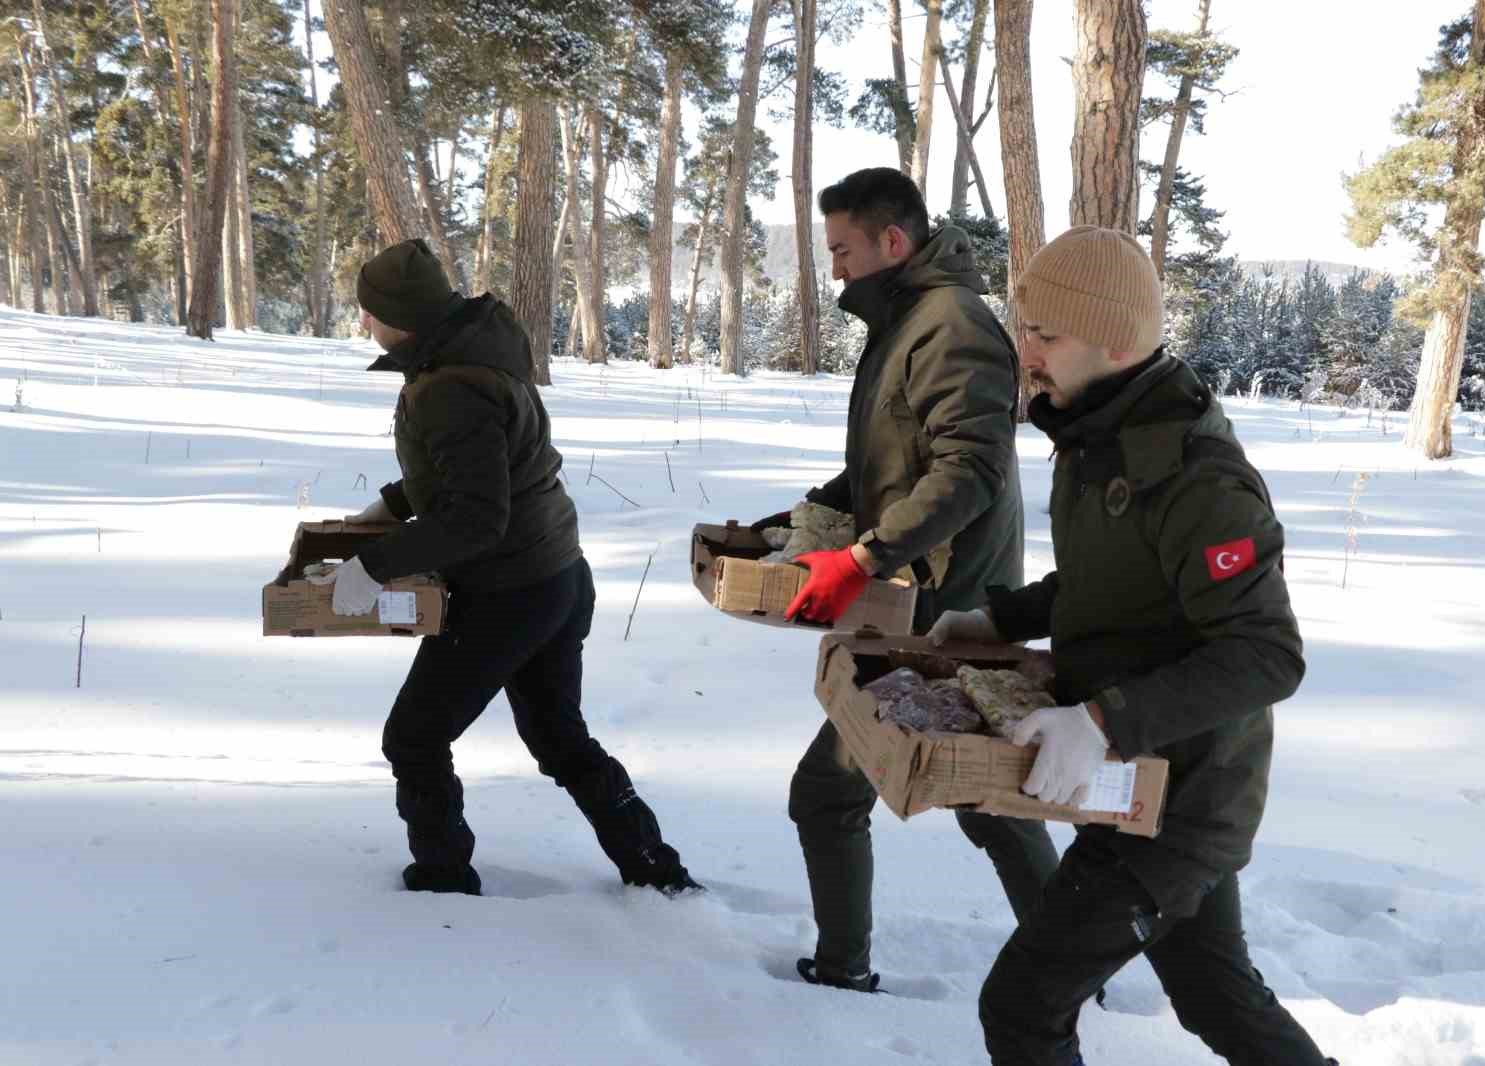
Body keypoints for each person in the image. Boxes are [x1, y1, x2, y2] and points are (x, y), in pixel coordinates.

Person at [929, 227, 1331, 1065]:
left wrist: (1101, 722)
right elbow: (1114, 581)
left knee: (1023, 1004)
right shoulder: (1093, 431)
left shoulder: (1198, 478)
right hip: (1134, 777)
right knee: (1214, 993)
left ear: (1116, 341)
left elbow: (1266, 653)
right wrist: (1004, 620)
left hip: (1182, 798)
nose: (1024, 351)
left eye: (1046, 334)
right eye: (1025, 326)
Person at [312, 238, 700, 899]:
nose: (364, 324)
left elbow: (475, 518)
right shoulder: (475, 353)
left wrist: (372, 566)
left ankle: (442, 880)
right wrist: (399, 500)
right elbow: (496, 467)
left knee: (414, 738)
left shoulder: (449, 385)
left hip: (508, 592)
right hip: (555, 576)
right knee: (558, 739)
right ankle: (656, 870)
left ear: (400, 317)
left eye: (370, 312)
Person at [749, 167, 1059, 993]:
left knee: (838, 793)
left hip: (949, 608)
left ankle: (848, 970)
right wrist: (810, 515)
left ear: (894, 240)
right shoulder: (910, 321)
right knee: (985, 799)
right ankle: (1075, 962)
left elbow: (968, 474)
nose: (838, 268)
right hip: (917, 594)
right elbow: (897, 456)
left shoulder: (949, 325)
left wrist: (860, 559)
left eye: (844, 249)